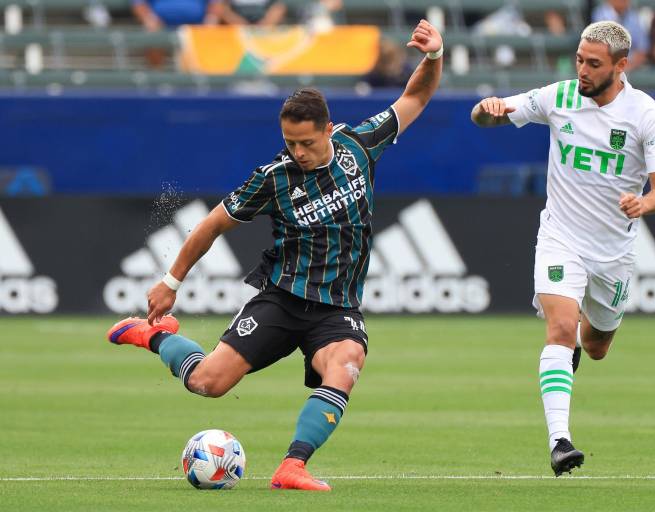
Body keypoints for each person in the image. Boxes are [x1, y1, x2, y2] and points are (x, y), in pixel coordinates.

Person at [107, 19, 443, 492]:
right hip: (281, 300)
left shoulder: (359, 145)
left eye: (307, 142)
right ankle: (154, 337)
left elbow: (415, 98)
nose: (299, 152)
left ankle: (293, 466)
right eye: (290, 143)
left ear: (329, 129)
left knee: (346, 362)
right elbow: (211, 225)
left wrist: (433, 57)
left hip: (337, 308)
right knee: (208, 383)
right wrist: (171, 281)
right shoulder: (273, 177)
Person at [470, 21, 655, 476]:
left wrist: (644, 203)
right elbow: (491, 117)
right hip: (561, 237)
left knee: (596, 345)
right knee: (560, 329)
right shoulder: (560, 97)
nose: (582, 70)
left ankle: (582, 336)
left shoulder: (645, 115)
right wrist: (487, 111)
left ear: (621, 67)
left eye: (593, 64)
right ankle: (560, 441)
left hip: (613, 254)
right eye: (580, 59)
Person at [592, 0, 649, 70]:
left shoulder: (634, 16)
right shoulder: (599, 14)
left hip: (631, 66)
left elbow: (642, 48)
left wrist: (631, 65)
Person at [132, 0, 222, 30]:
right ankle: (157, 72)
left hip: (199, 25)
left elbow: (216, 3)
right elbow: (138, 3)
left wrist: (211, 19)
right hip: (160, 24)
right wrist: (149, 19)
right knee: (152, 34)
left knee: (212, 31)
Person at [218, 0, 287, 26]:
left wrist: (263, 27)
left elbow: (279, 8)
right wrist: (244, 28)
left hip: (265, 34)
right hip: (234, 33)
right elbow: (220, 8)